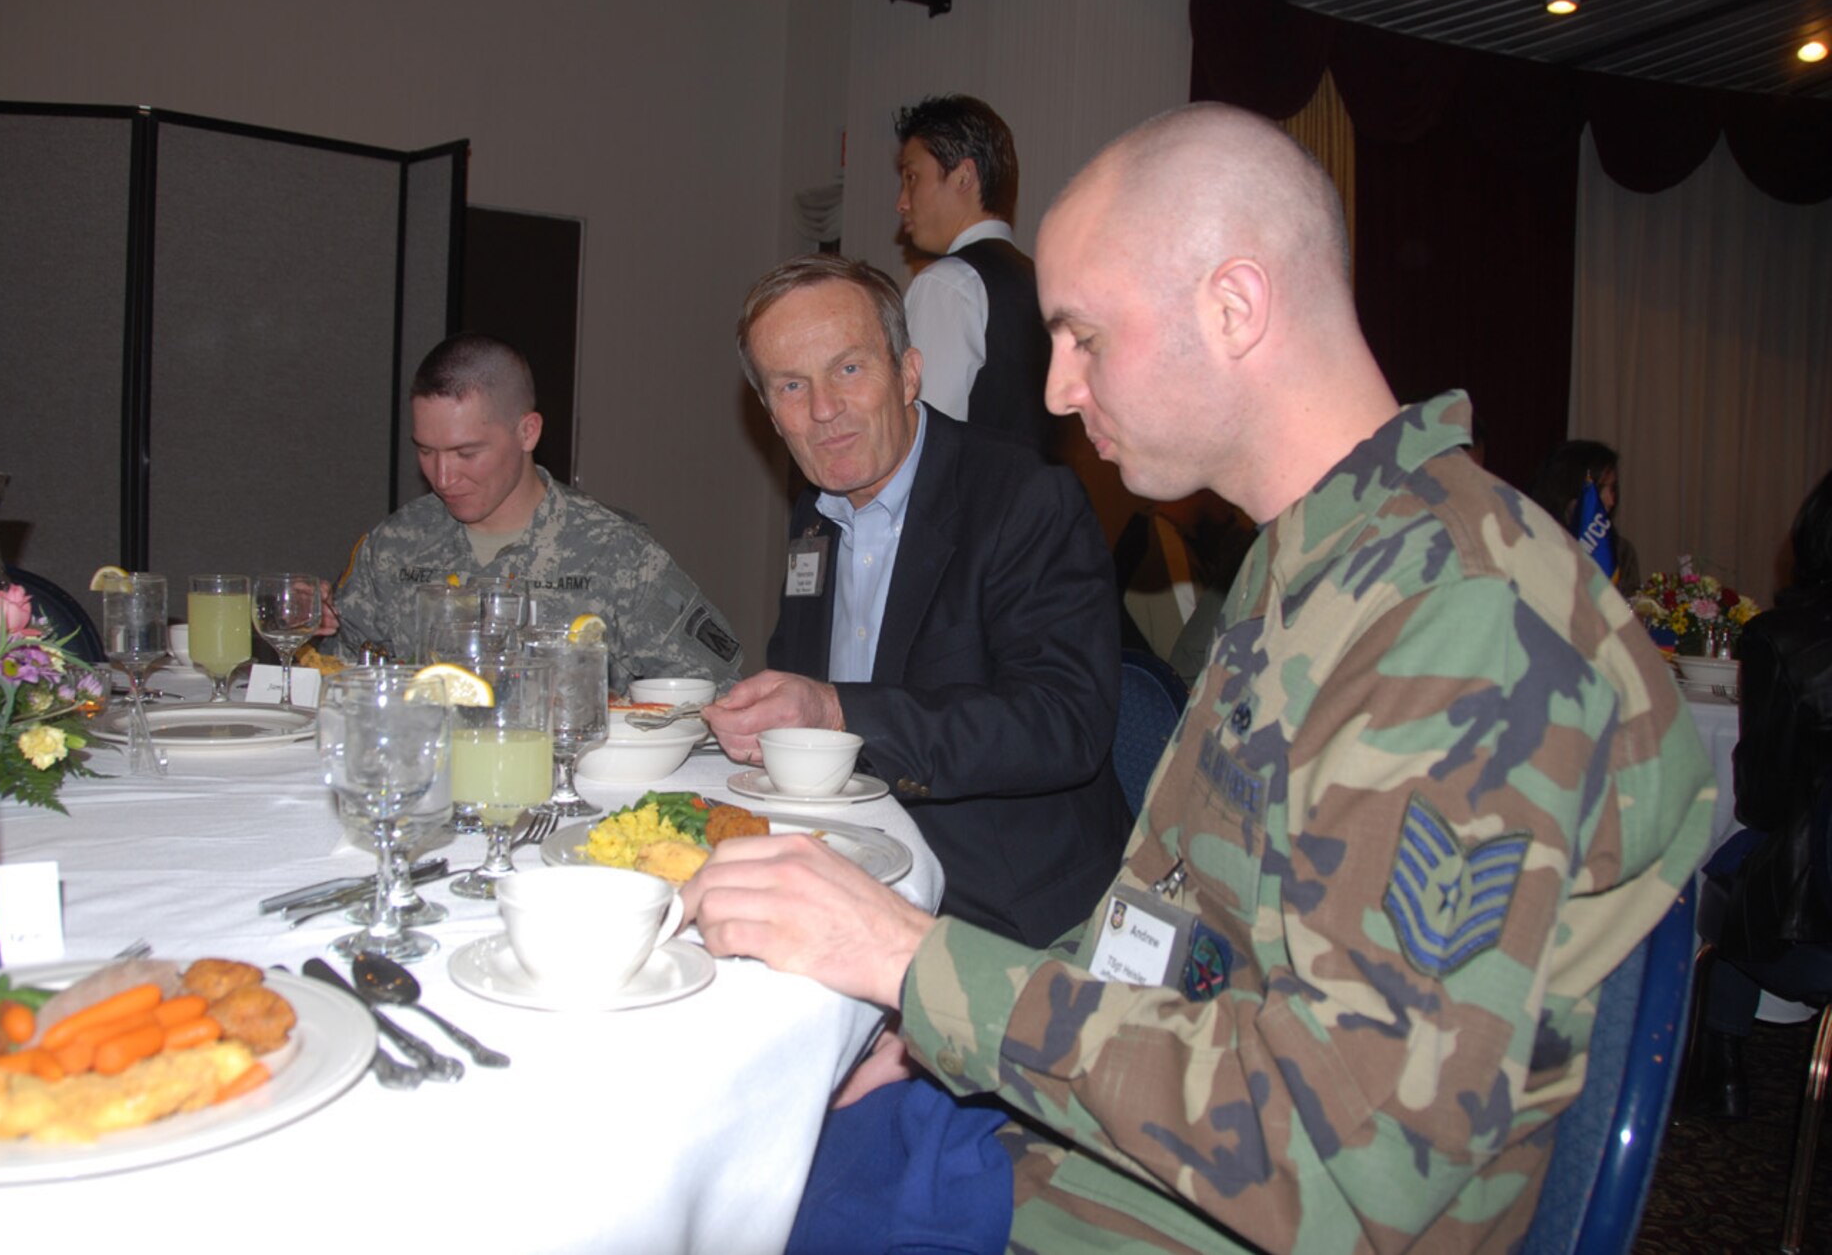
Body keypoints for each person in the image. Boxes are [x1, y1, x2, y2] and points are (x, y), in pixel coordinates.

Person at [683, 105, 1715, 1253]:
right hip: (1127, 1129)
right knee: (733, 1155)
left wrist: (912, 963)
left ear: (1232, 307)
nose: (1057, 390)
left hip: (1216, 1203)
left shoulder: (1460, 622)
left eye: (1083, 337)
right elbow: (1175, 928)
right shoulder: (1309, 562)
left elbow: (1342, 1165)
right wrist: (932, 1025)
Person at [706, 254, 1129, 948]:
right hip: (853, 869)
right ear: (770, 413)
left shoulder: (1023, 498)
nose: (823, 410)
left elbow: (1064, 724)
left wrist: (838, 713)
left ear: (907, 373)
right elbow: (807, 681)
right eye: (791, 385)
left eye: (848, 368)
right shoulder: (815, 516)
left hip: (1000, 908)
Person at [332, 333, 741, 692]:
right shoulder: (393, 547)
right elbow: (339, 677)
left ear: (527, 432)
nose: (442, 476)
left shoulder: (616, 554)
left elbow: (712, 691)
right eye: (425, 451)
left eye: (466, 453)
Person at [1684, 467, 1832, 1118]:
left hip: (1810, 920)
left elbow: (1762, 800)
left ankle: (1722, 1066)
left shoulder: (1780, 638)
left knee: (1732, 860)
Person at [895, 95, 1054, 455]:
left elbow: (927, 446)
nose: (901, 202)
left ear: (963, 176)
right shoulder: (1044, 284)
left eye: (912, 177)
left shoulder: (946, 285)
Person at [1529, 438, 1639, 588]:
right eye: (1600, 489)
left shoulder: (1621, 553)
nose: (1611, 501)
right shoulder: (1534, 544)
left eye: (1612, 489)